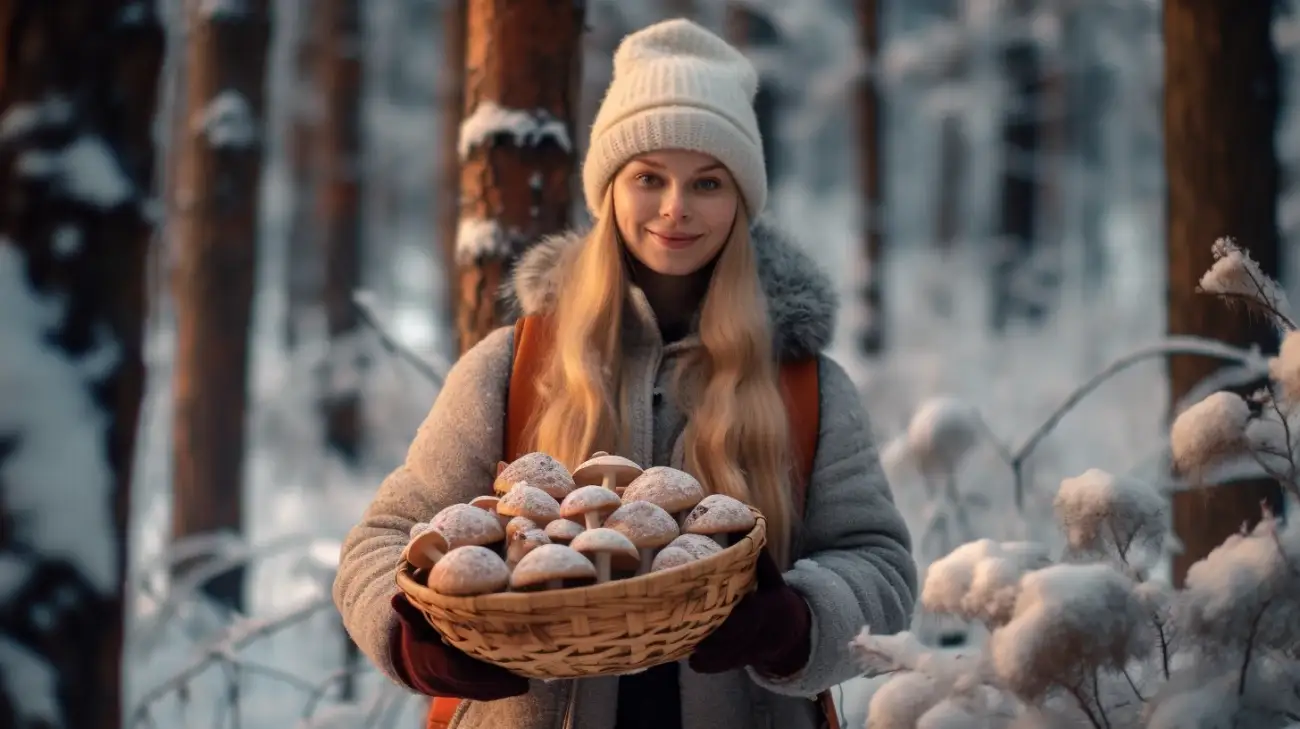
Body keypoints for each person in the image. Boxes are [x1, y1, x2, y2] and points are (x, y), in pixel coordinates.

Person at [333, 17, 917, 729]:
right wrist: (416, 639)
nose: (676, 208)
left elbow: (879, 562)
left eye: (707, 181)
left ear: (740, 201)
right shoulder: (515, 363)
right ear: (608, 189)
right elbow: (382, 538)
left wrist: (796, 620)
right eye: (649, 177)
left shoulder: (802, 382)